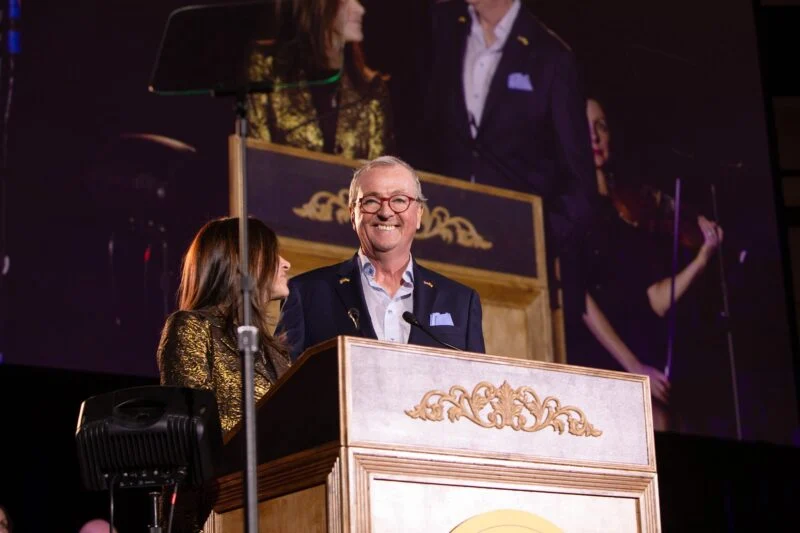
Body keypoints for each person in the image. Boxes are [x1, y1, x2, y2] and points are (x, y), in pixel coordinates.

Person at [421, 0, 596, 352]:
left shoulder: (551, 57)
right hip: (439, 248)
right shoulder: (443, 29)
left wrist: (534, 241)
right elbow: (422, 136)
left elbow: (579, 188)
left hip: (515, 272)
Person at [575, 97, 724, 430]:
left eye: (601, 126)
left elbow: (654, 300)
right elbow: (576, 295)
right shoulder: (572, 206)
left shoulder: (628, 208)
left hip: (637, 350)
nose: (595, 136)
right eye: (585, 128)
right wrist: (633, 366)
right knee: (656, 421)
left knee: (679, 419)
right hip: (597, 351)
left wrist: (702, 259)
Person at [156, 217, 292, 532]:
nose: (285, 263)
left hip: (276, 503)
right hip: (212, 511)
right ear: (241, 264)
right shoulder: (192, 326)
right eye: (272, 254)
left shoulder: (277, 352)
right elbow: (190, 432)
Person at [278, 155, 486, 360]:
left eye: (399, 200)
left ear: (419, 214)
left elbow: (479, 379)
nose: (386, 212)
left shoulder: (461, 302)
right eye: (371, 201)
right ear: (353, 214)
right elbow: (284, 376)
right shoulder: (305, 293)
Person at [247, 0, 394, 160]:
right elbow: (258, 161)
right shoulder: (268, 71)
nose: (359, 10)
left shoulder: (371, 89)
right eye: (346, 1)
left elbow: (380, 169)